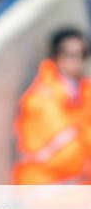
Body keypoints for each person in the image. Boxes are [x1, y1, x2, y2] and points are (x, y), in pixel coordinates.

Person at [12, 29, 91, 184]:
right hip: (43, 186)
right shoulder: (40, 97)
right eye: (70, 55)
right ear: (56, 56)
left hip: (75, 185)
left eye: (83, 54)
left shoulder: (84, 92)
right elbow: (59, 152)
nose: (78, 61)